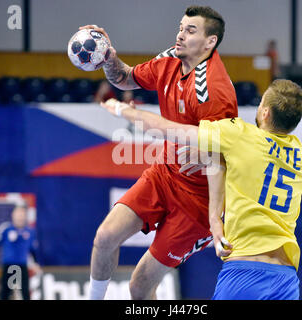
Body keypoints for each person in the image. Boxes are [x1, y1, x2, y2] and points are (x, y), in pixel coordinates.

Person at [80, 5, 238, 300]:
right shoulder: (171, 58)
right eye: (180, 27)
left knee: (139, 287)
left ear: (210, 42)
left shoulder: (212, 90)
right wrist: (109, 59)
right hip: (165, 175)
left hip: (198, 205)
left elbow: (230, 152)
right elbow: (126, 78)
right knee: (105, 237)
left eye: (190, 31)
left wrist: (212, 155)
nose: (180, 35)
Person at [101, 78, 302, 300]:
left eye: (260, 103)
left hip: (245, 272)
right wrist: (213, 155)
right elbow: (256, 163)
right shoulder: (298, 153)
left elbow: (168, 129)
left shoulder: (239, 135)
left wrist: (123, 111)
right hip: (285, 279)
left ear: (265, 112)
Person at [0, 205, 39, 300]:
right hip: (10, 266)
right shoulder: (6, 229)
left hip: (22, 267)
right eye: (18, 214)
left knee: (25, 292)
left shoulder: (30, 232)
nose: (20, 217)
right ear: (13, 215)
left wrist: (35, 263)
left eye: (22, 214)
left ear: (25, 216)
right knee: (6, 292)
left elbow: (32, 251)